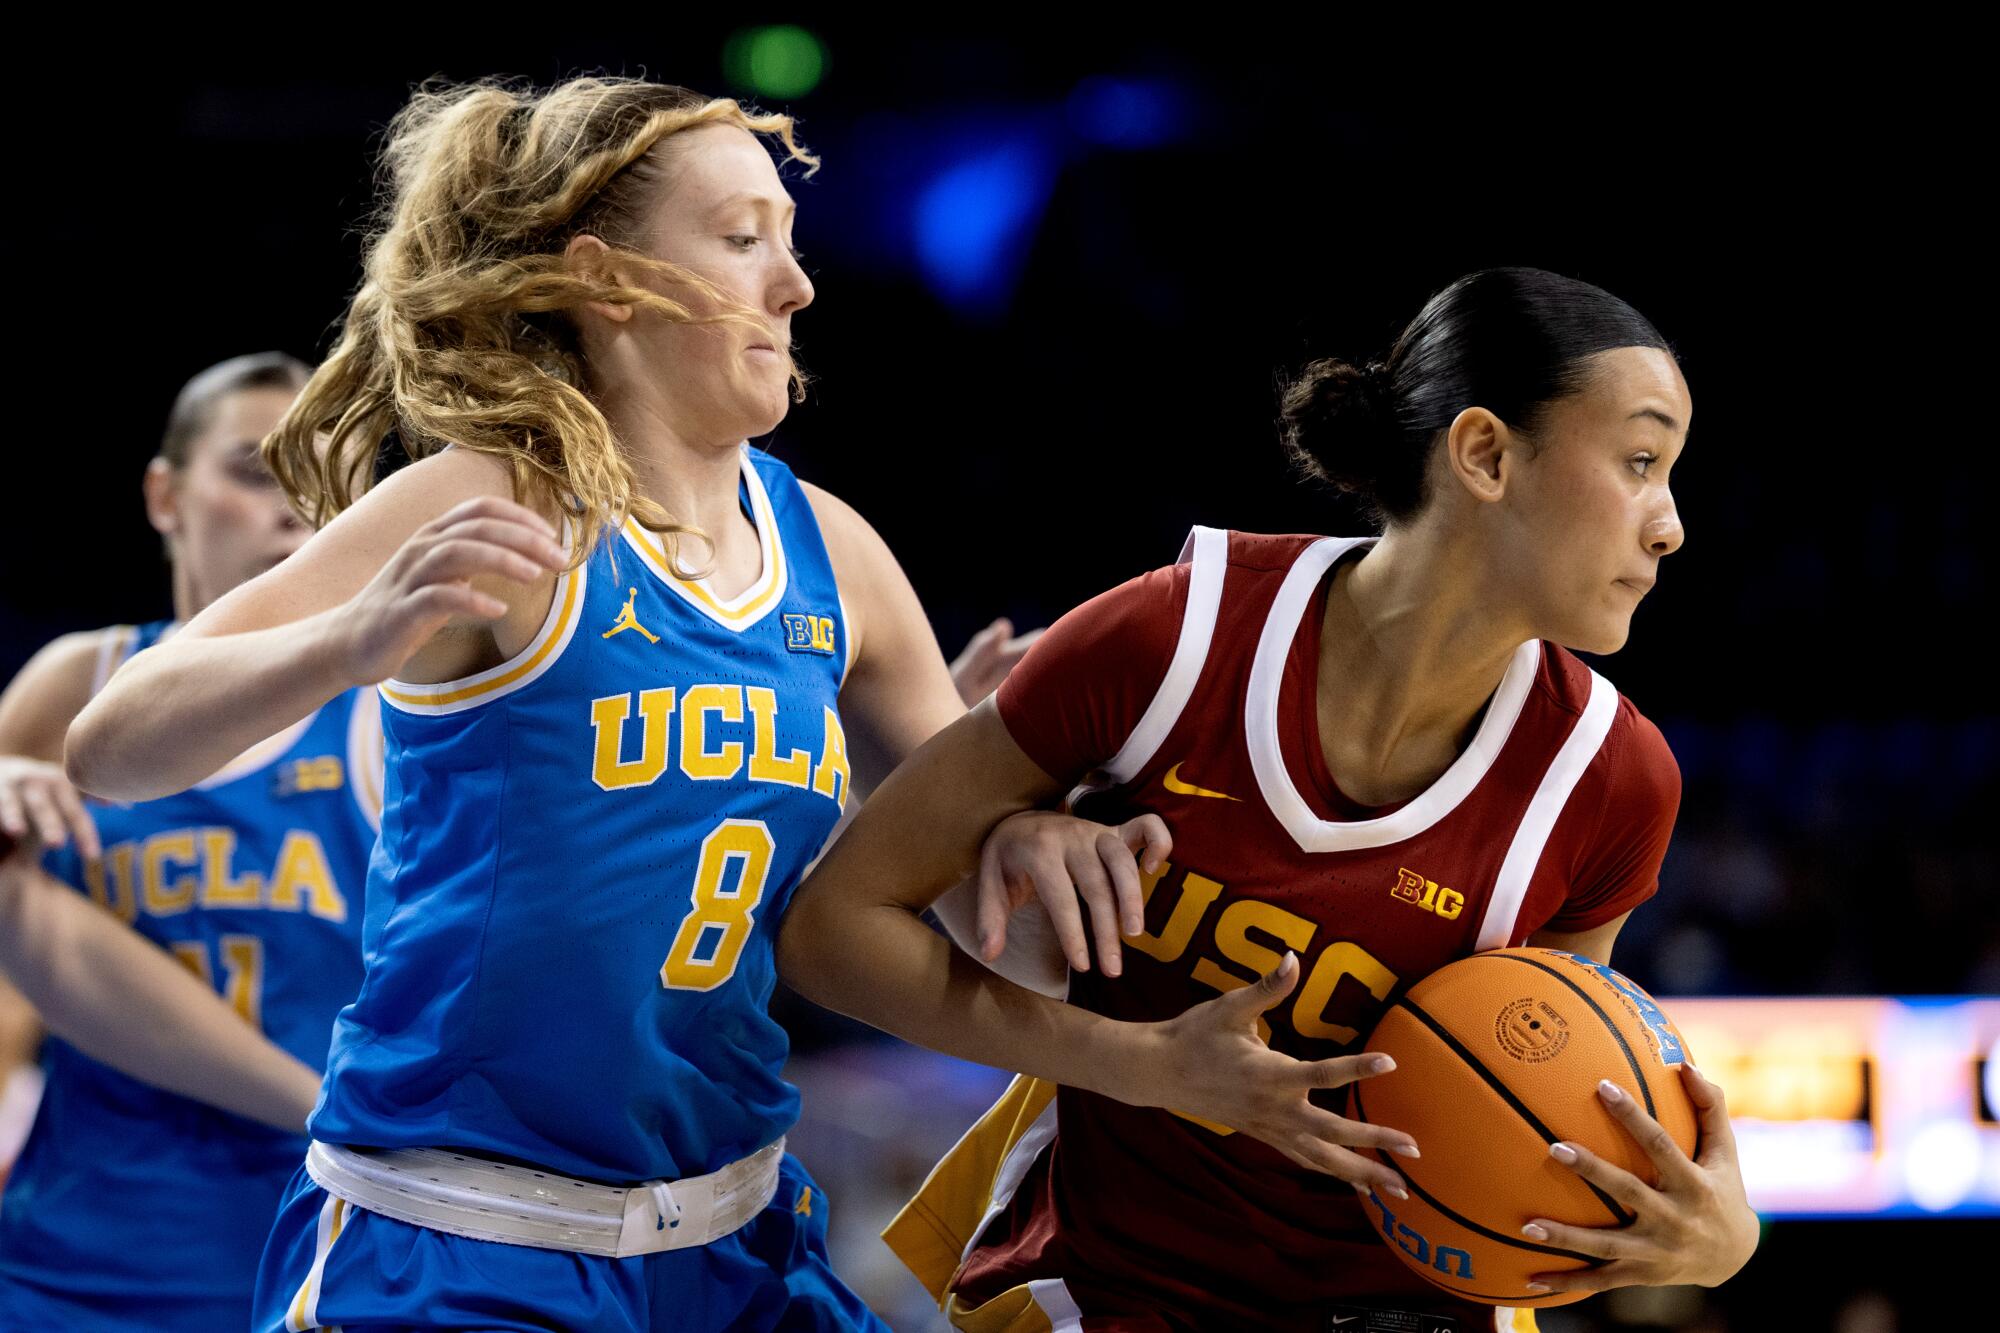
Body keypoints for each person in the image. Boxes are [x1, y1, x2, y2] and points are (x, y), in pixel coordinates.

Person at [66, 77, 1028, 1333]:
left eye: (789, 246)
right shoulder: (496, 499)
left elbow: (987, 914)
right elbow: (113, 742)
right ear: (606, 280)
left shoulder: (831, 550)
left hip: (736, 1238)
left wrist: (1013, 817)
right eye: (742, 239)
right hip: (463, 1239)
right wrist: (352, 635)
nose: (792, 286)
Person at [780, 269, 1761, 1330]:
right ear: (1483, 454)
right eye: (1638, 463)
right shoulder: (1172, 639)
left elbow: (1553, 1102)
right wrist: (1146, 1065)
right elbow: (833, 930)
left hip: (1414, 1307)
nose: (1667, 526)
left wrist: (1714, 1234)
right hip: (1123, 1287)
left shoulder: (1609, 777)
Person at [0, 352, 380, 1331]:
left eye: (319, 480)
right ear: (165, 495)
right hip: (74, 1262)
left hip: (317, 1258)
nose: (290, 511)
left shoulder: (396, 710)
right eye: (255, 473)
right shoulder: (73, 683)